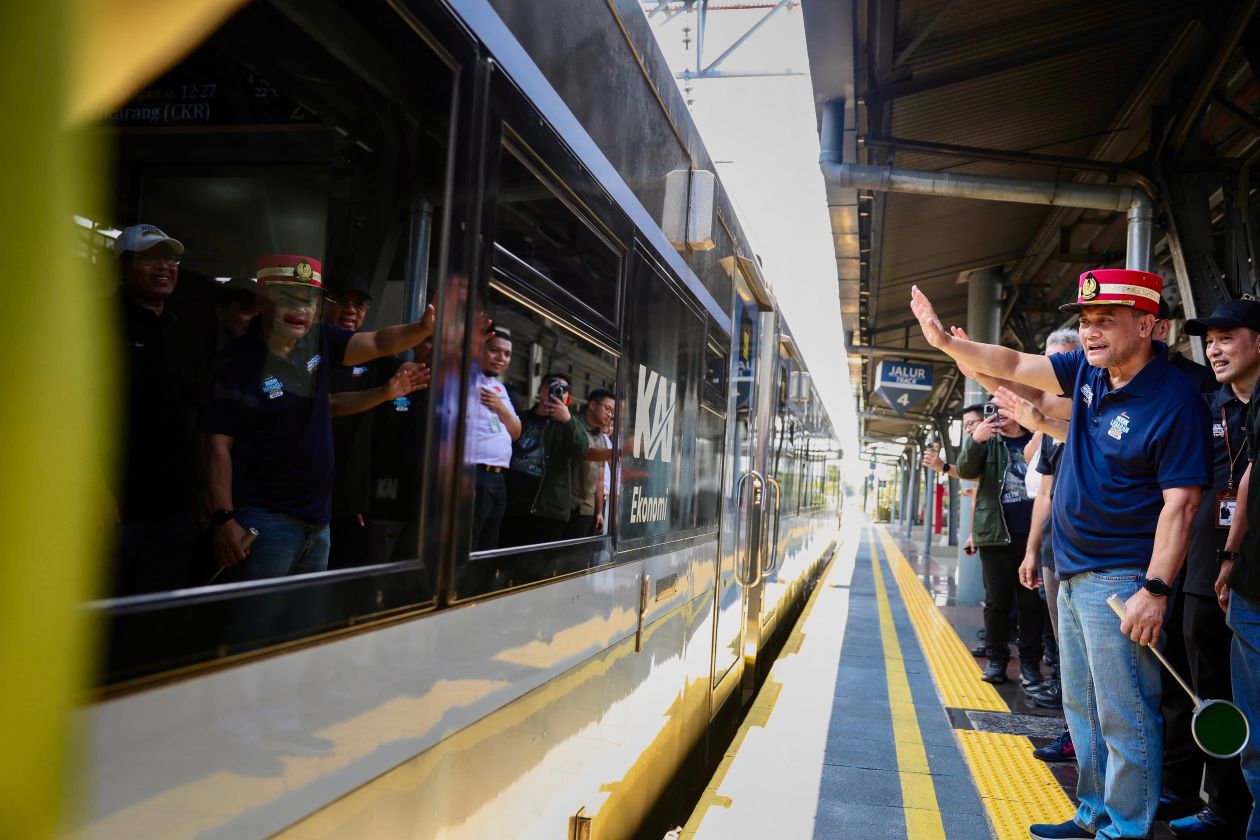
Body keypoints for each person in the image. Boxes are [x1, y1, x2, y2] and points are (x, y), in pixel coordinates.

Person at [911, 268, 1212, 840]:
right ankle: (1093, 812)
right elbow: (1015, 365)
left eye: (1107, 321)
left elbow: (1182, 506)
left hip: (1123, 577)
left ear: (1149, 325)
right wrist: (948, 343)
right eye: (1086, 321)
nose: (1091, 332)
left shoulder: (1175, 401)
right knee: (1084, 708)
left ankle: (1126, 828)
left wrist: (1154, 591)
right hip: (1074, 570)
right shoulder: (1091, 375)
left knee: (1125, 713)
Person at [199, 254, 435, 580]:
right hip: (264, 520)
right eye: (290, 299)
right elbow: (216, 446)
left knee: (305, 625)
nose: (302, 311)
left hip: (318, 523)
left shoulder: (319, 340)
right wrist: (224, 519)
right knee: (257, 624)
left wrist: (423, 327)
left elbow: (379, 341)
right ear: (262, 301)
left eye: (310, 301)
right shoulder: (234, 364)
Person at [1158, 299, 1260, 837]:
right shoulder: (1204, 405)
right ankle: (1220, 804)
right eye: (1209, 341)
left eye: (1227, 337)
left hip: (1249, 570)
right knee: (1207, 688)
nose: (1214, 349)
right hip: (1202, 570)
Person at [112, 224, 206, 595]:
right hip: (118, 504)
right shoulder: (97, 322)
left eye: (170, 258)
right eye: (150, 258)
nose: (164, 266)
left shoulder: (184, 330)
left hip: (177, 505)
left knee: (159, 612)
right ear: (120, 267)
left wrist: (202, 491)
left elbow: (196, 413)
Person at [323, 275, 429, 568]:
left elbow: (393, 350)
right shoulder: (311, 348)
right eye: (343, 302)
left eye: (359, 305)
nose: (351, 310)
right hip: (297, 491)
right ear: (324, 303)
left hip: (347, 499)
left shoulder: (376, 361)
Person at [954, 401, 1044, 687]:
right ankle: (996, 661)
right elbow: (966, 470)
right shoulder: (987, 442)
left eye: (1004, 408)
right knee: (997, 601)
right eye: (995, 410)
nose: (1000, 415)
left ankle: (1030, 664)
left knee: (1031, 603)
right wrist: (976, 439)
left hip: (1032, 534)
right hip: (995, 533)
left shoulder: (1036, 439)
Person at [503, 373, 590, 546]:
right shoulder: (522, 418)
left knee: (541, 565)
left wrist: (567, 420)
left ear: (568, 397)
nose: (557, 392)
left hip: (548, 507)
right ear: (540, 390)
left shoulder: (570, 424)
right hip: (513, 502)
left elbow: (581, 450)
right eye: (551, 386)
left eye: (563, 390)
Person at [469, 327, 521, 550]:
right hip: (474, 474)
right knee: (470, 543)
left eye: (507, 354)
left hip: (499, 477)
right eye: (495, 351)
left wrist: (500, 407)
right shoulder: (464, 380)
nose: (501, 358)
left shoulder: (499, 388)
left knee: (489, 546)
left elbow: (516, 431)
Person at [565, 389, 614, 538]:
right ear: (592, 405)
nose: (610, 415)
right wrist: (621, 451)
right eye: (607, 409)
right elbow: (585, 452)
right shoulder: (572, 425)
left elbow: (600, 479)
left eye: (612, 412)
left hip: (587, 509)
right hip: (566, 506)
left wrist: (599, 512)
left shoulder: (601, 437)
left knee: (580, 555)